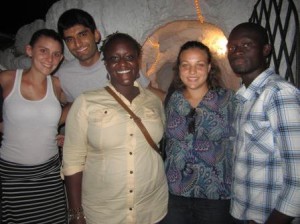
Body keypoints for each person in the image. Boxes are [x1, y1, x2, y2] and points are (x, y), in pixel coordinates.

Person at [62, 32, 168, 224]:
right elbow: (72, 161)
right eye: (114, 58)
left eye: (129, 57)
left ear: (138, 61)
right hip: (104, 212)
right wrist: (76, 213)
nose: (123, 64)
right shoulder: (86, 102)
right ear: (106, 64)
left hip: (151, 208)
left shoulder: (153, 102)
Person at [227, 22, 300, 224]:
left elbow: (298, 177)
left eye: (246, 45)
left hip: (269, 217)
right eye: (232, 47)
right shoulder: (244, 98)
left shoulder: (279, 94)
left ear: (266, 50)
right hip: (243, 213)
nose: (237, 51)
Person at [161, 41, 235, 224]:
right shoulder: (172, 99)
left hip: (215, 195)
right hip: (175, 193)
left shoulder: (228, 99)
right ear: (178, 68)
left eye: (199, 65)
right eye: (185, 65)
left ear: (209, 67)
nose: (192, 71)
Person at [0, 29, 67, 223]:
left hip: (49, 172)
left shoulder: (56, 84)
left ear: (61, 58)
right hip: (14, 174)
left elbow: (80, 104)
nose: (50, 59)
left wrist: (59, 129)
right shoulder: (7, 79)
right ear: (29, 50)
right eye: (43, 51)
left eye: (56, 54)